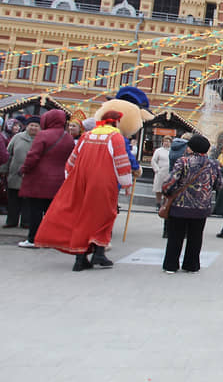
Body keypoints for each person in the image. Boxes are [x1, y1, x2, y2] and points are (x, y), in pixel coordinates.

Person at [34, 110, 133, 271]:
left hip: (81, 181)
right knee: (104, 216)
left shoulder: (86, 136)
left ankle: (80, 257)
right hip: (103, 183)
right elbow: (121, 162)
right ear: (116, 122)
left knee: (82, 216)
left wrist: (70, 179)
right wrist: (126, 183)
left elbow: (72, 160)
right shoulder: (115, 137)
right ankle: (99, 252)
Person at [161, 134, 222, 274]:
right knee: (196, 237)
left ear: (191, 147)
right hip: (201, 207)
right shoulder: (213, 164)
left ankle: (171, 265)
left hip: (180, 206)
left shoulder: (183, 161)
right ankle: (191, 265)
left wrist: (166, 191)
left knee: (175, 236)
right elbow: (220, 184)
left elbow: (170, 182)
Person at [17, 110, 75, 248]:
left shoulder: (43, 134)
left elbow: (33, 156)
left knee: (35, 211)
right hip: (59, 180)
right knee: (52, 212)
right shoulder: (68, 137)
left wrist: (24, 169)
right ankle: (51, 239)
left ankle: (33, 239)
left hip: (39, 179)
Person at [1, 116, 40, 229]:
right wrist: (4, 170)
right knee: (13, 199)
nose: (33, 128)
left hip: (32, 175)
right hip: (15, 173)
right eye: (31, 125)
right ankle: (11, 221)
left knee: (28, 201)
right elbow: (8, 154)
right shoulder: (17, 137)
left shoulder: (41, 139)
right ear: (26, 126)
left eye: (36, 126)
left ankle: (26, 222)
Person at [151, 136, 173, 209]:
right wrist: (157, 169)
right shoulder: (158, 151)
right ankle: (158, 203)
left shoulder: (172, 151)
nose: (166, 143)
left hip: (168, 172)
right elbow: (153, 161)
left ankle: (165, 204)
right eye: (165, 141)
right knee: (158, 189)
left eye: (168, 142)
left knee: (166, 189)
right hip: (160, 172)